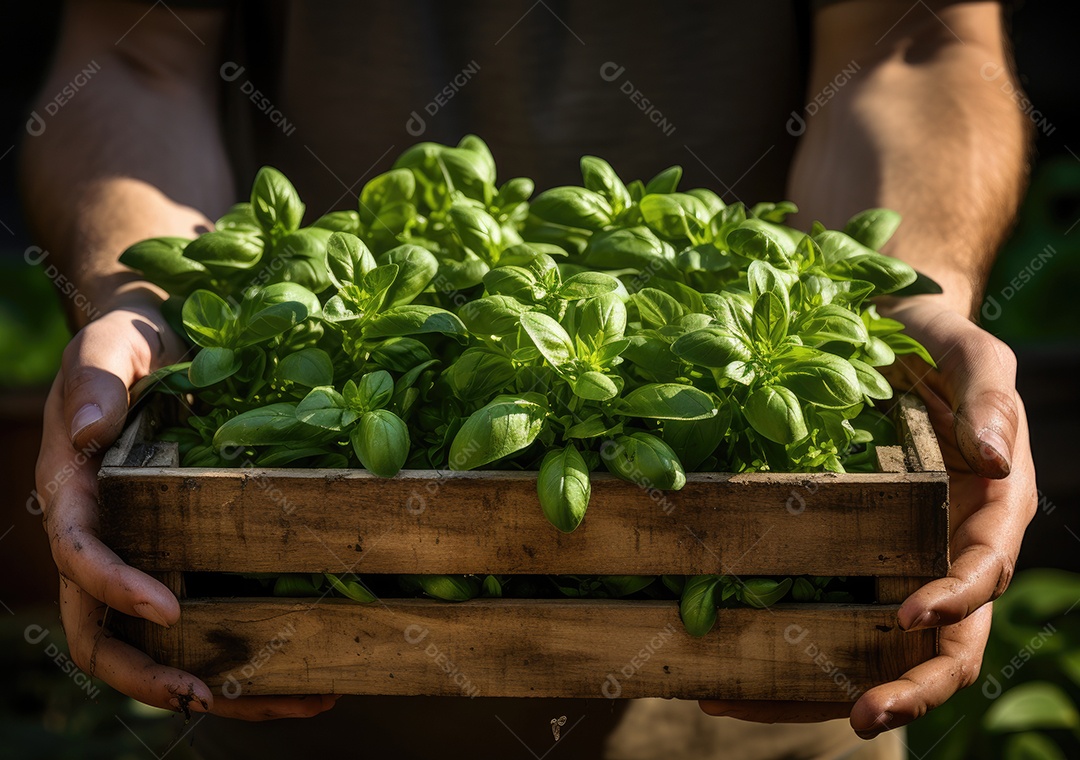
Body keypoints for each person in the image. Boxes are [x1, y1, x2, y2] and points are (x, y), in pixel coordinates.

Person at [23, 0, 1037, 758]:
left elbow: (911, 37)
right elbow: (136, 49)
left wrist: (908, 305)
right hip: (295, 669)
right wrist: (138, 300)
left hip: (759, 667)